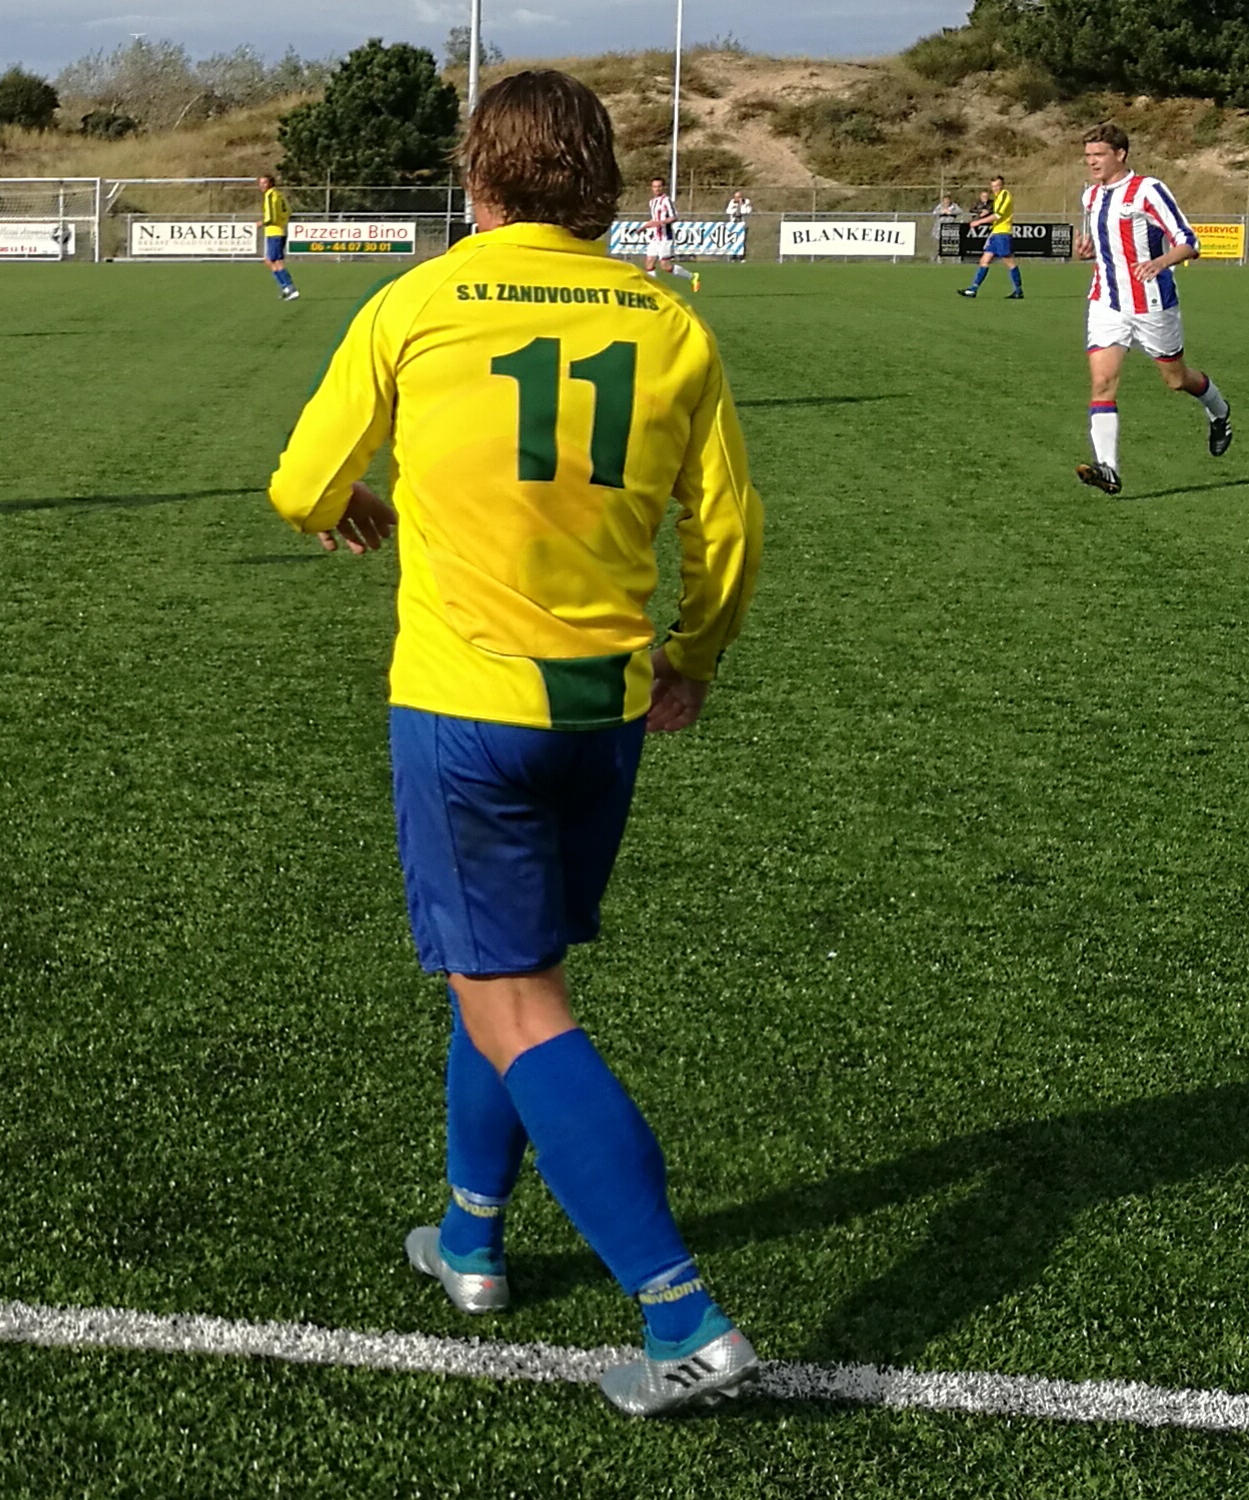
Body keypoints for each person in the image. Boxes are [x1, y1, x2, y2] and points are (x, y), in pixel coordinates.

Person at [267, 68, 764, 1419]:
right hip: (602, 713)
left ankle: (682, 1316)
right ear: (596, 180)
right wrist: (691, 659)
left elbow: (297, 484)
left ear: (474, 178)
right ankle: (472, 1240)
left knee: (511, 998)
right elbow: (728, 535)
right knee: (500, 972)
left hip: (464, 706)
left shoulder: (416, 300)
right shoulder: (669, 321)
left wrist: (345, 508)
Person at [1072, 122, 1231, 495]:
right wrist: (1090, 250)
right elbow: (1108, 244)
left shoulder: (1148, 190)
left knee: (1176, 380)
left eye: (1099, 155)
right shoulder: (1091, 197)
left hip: (1152, 303)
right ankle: (1108, 469)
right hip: (1107, 301)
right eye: (1088, 156)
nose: (1092, 162)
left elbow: (1189, 242)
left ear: (1120, 154)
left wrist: (1161, 262)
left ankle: (1219, 410)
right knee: (1102, 382)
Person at [959, 173, 1022, 298]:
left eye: (998, 185)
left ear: (1002, 185)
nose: (995, 188)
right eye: (993, 186)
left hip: (1002, 233)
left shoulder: (1005, 195)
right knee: (984, 260)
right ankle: (973, 289)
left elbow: (998, 215)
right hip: (995, 233)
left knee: (1008, 262)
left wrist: (979, 222)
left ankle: (1018, 290)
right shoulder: (997, 197)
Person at [642, 176, 693, 286]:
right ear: (651, 188)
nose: (657, 189)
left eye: (659, 186)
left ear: (663, 187)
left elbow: (674, 217)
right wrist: (644, 227)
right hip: (655, 238)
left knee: (665, 266)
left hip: (665, 238)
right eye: (655, 187)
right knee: (649, 264)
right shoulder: (652, 202)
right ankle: (655, 288)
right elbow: (654, 219)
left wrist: (661, 222)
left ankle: (692, 277)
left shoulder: (666, 200)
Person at [259, 173, 297, 300]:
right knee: (269, 261)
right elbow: (288, 211)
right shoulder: (279, 194)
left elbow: (271, 217)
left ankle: (291, 288)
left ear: (270, 184)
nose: (261, 185)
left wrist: (263, 222)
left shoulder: (270, 195)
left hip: (274, 232)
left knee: (277, 261)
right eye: (260, 183)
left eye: (264, 183)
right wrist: (282, 221)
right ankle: (285, 287)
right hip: (277, 231)